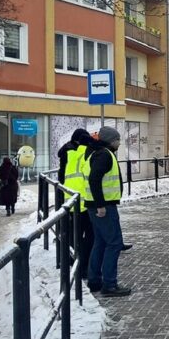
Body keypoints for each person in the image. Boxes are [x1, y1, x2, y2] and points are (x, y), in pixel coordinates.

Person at [82, 126, 131, 297]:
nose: (119, 142)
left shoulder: (96, 153)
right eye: (117, 139)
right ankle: (109, 284)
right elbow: (94, 179)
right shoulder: (104, 155)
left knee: (101, 242)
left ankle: (94, 280)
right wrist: (101, 205)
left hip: (94, 205)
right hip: (104, 207)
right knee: (114, 243)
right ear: (111, 140)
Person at [58, 128, 95, 279]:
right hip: (83, 200)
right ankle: (81, 266)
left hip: (70, 198)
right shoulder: (79, 153)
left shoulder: (67, 152)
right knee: (88, 235)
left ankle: (73, 263)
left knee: (74, 235)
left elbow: (62, 176)